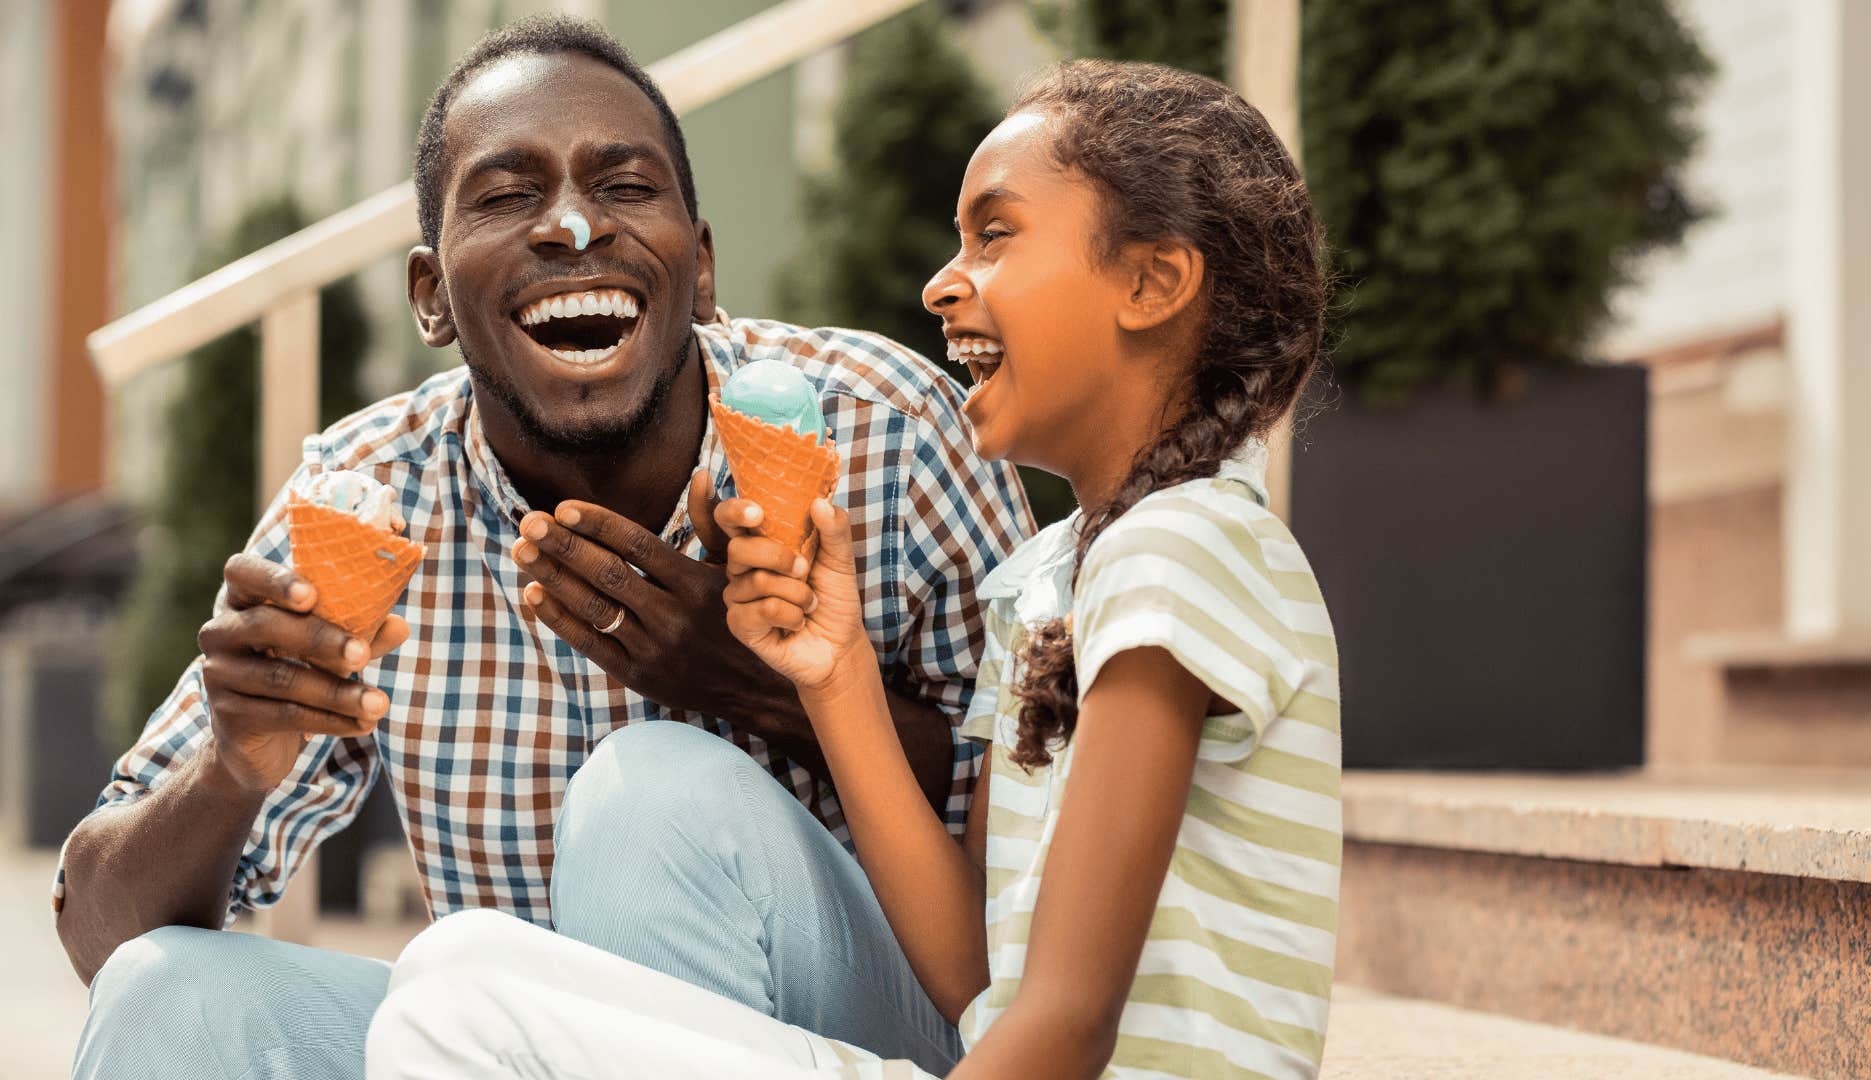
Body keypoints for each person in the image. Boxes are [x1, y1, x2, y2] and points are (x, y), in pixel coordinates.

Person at [55, 15, 1031, 1080]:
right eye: (508, 193)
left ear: (700, 268)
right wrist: (231, 771)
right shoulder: (367, 496)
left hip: (869, 1035)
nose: (572, 226)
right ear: (431, 296)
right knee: (169, 998)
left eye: (625, 186)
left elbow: (1047, 833)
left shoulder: (885, 428)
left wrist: (767, 691)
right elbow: (97, 930)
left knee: (652, 792)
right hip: (493, 1046)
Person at [367, 59, 1340, 1080]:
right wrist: (832, 676)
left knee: (454, 1019)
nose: (941, 283)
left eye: (994, 235)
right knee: (454, 960)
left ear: (1151, 282)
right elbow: (980, 977)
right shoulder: (1053, 578)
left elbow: (1067, 1023)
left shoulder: (1179, 551)